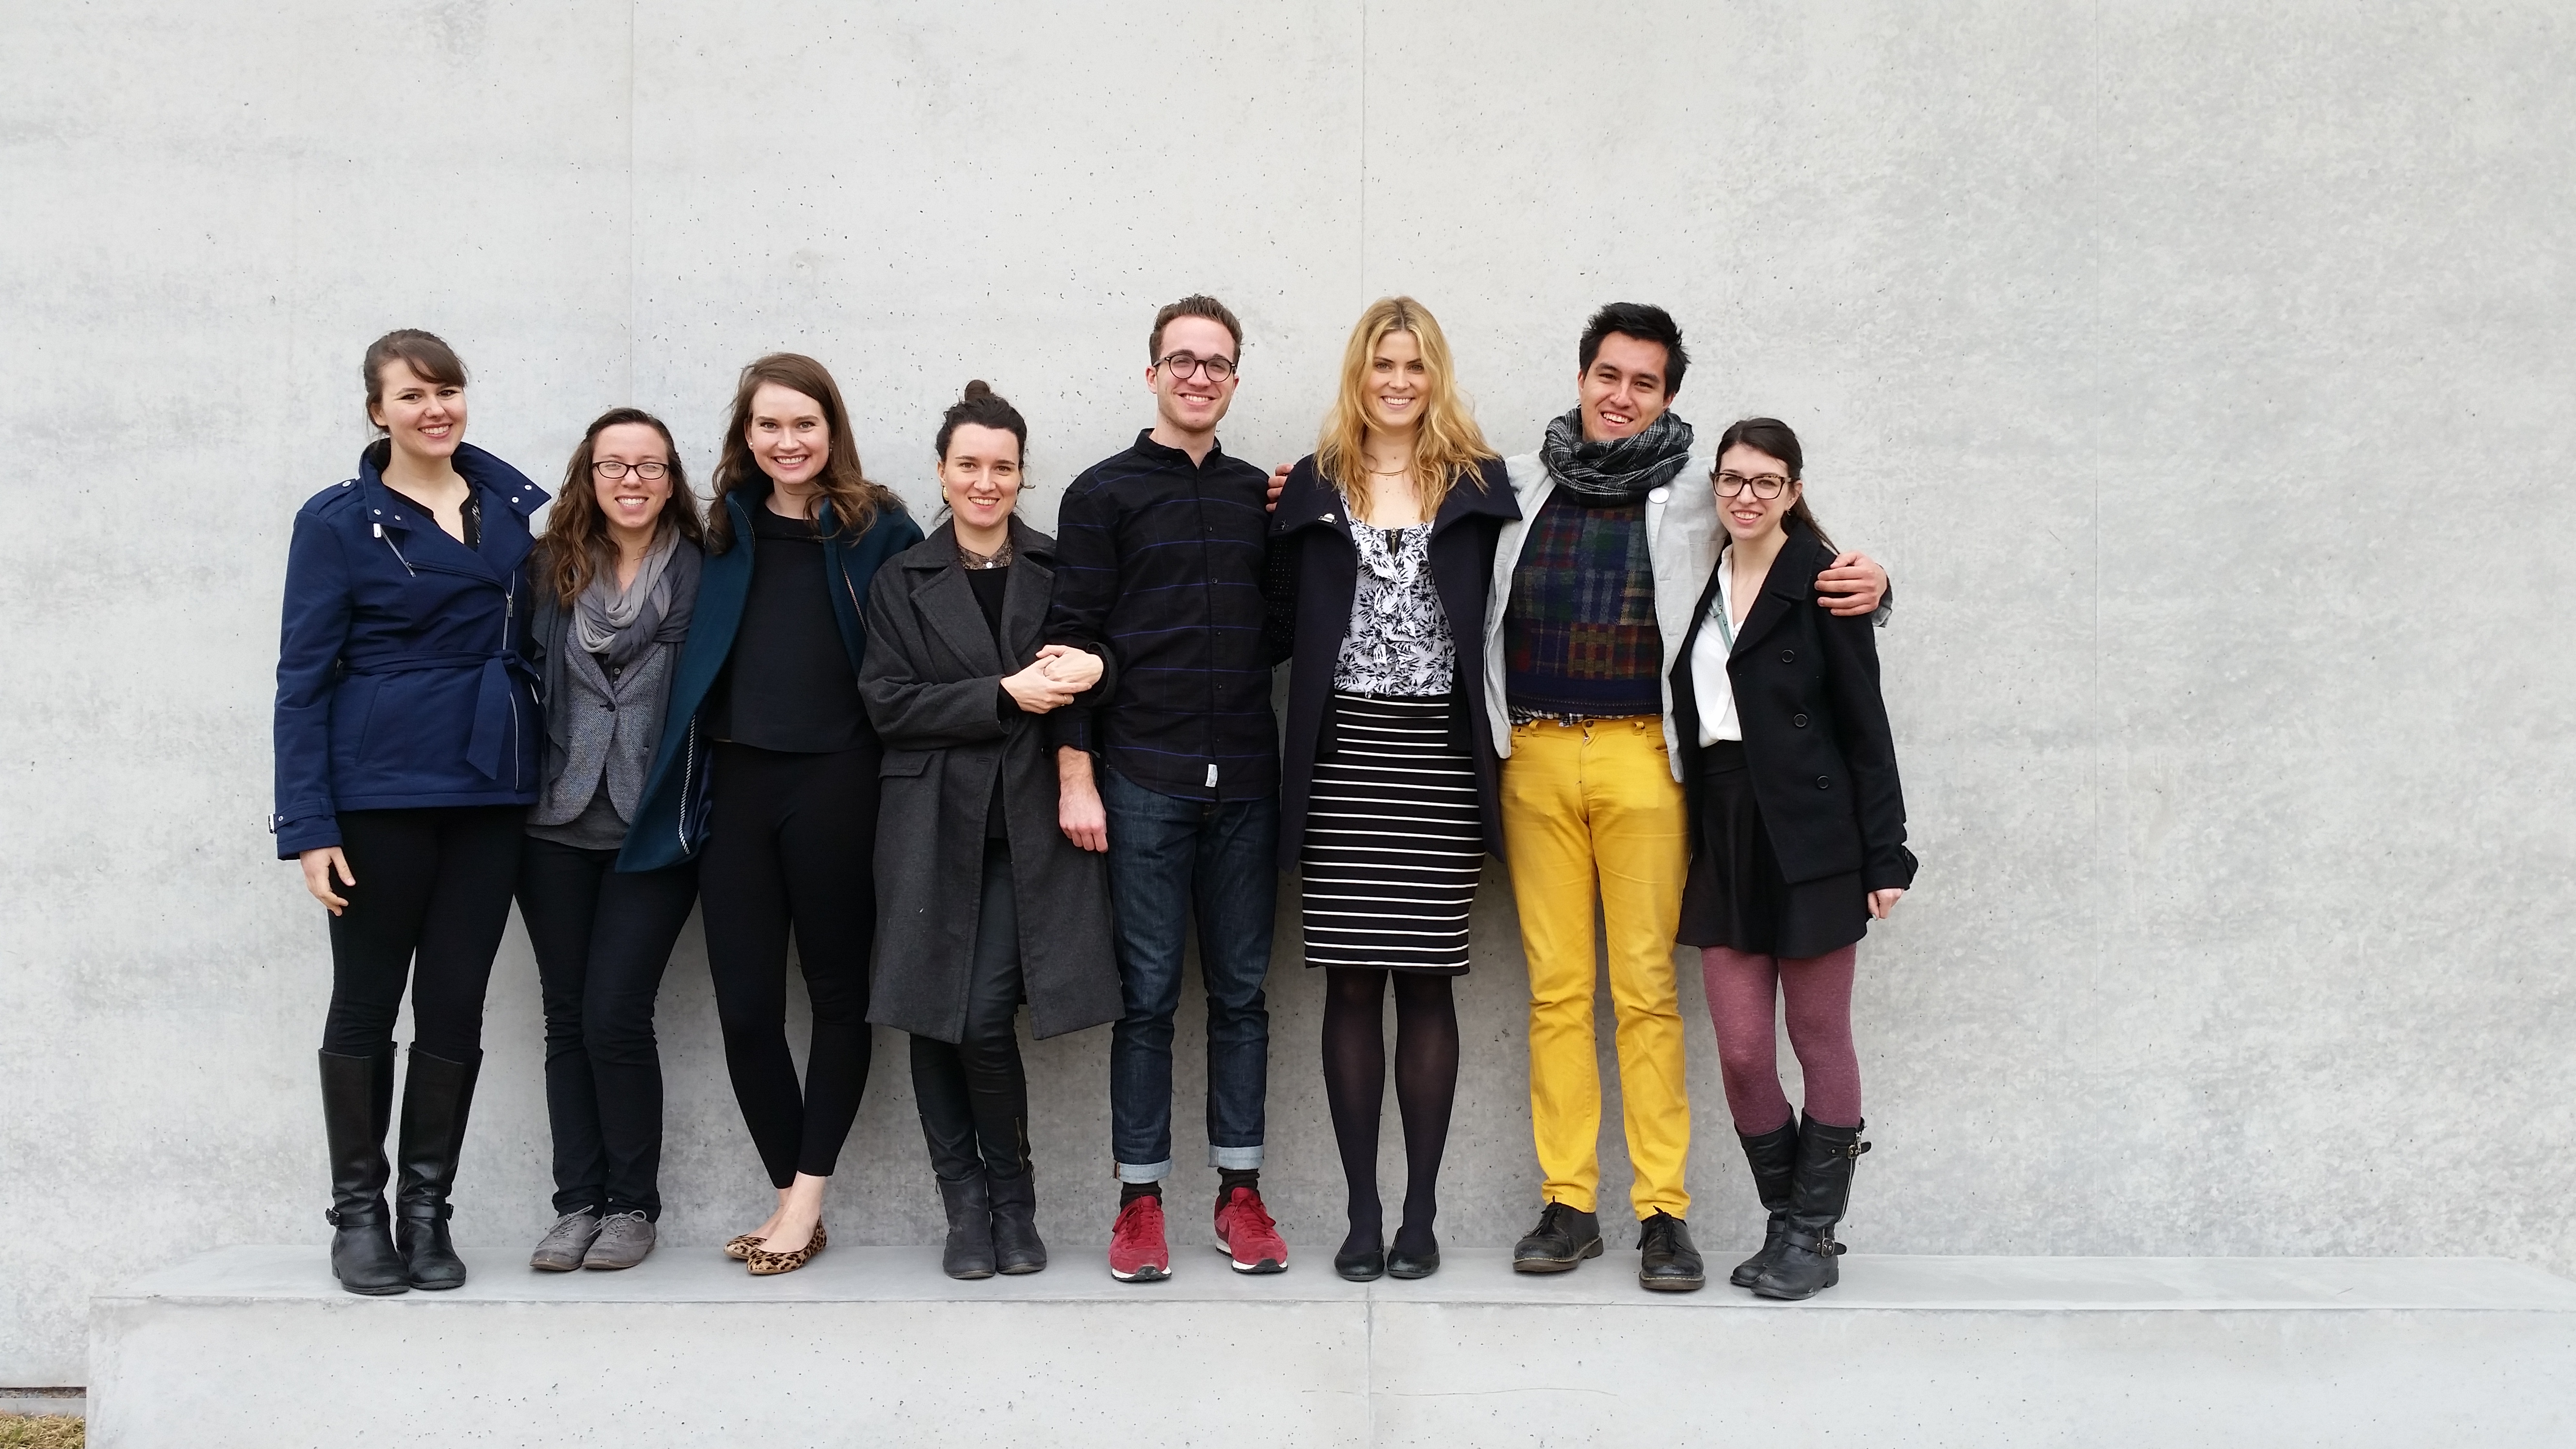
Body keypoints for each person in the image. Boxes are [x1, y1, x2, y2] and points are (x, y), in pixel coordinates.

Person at [1477, 304, 1889, 1291]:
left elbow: (1801, 555)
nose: (1621, 397)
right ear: (1581, 378)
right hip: (1532, 754)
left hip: (1640, 760)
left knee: (1645, 992)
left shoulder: (1705, 492)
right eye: (1608, 376)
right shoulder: (1510, 484)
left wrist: (1875, 580)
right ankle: (1568, 1204)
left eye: (1644, 383)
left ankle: (1663, 1214)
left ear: (1668, 397)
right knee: (1556, 993)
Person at [619, 354, 922, 1276]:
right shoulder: (721, 532)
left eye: (803, 423)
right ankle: (794, 1195)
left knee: (838, 999)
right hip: (737, 791)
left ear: (832, 428)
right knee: (747, 1011)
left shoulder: (879, 531)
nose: (786, 442)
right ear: (744, 437)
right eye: (767, 426)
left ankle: (804, 1203)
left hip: (840, 785)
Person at [274, 329, 548, 1295]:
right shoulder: (340, 522)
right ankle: (359, 1216)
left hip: (492, 791)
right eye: (414, 396)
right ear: (377, 411)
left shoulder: (516, 511)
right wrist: (307, 825)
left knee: (454, 1005)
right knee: (364, 1001)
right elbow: (300, 682)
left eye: (450, 390)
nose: (437, 409)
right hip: (381, 791)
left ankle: (427, 1213)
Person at [1266, 299, 1516, 1281]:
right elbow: (1272, 620)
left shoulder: (1481, 486)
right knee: (1349, 981)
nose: (1398, 382)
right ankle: (1361, 1215)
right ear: (1358, 376)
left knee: (1425, 983)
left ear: (1434, 373)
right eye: (1381, 365)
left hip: (1438, 761)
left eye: (1413, 365)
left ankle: (1420, 1216)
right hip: (1342, 760)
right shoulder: (1311, 488)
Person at [1045, 295, 1294, 1282]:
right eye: (1181, 360)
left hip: (1244, 783)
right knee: (1146, 1000)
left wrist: (1300, 520)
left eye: (1217, 362)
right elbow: (1066, 638)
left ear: (1234, 379)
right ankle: (1138, 1204)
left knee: (1241, 997)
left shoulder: (1252, 499)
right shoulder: (1101, 493)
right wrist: (1077, 775)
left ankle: (1240, 1197)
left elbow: (1279, 629)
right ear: (1151, 373)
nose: (1198, 375)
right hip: (1139, 781)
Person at [860, 381, 1121, 1280]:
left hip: (1027, 836)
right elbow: (886, 705)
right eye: (968, 465)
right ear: (941, 472)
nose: (985, 481)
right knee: (932, 1021)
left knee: (975, 1018)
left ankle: (1013, 1200)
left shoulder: (1059, 568)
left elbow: (1106, 670)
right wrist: (1001, 696)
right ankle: (967, 1214)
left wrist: (1097, 667)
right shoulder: (901, 578)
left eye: (1002, 467)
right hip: (930, 826)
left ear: (1021, 475)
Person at [1672, 417, 1914, 1301]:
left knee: (1819, 1038)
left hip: (1814, 836)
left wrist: (1886, 855)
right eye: (1732, 480)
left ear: (1794, 491)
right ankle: (1788, 1221)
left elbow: (1866, 726)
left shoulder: (1824, 580)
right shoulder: (1694, 578)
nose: (1745, 496)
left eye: (1765, 482)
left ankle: (1813, 1234)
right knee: (1741, 1051)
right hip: (1725, 830)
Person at [515, 408, 705, 1273]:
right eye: (613, 466)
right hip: (552, 824)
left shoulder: (705, 575)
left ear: (672, 479)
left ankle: (633, 1205)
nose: (632, 481)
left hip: (653, 829)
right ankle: (576, 1204)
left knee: (615, 1013)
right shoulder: (547, 568)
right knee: (566, 1017)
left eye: (649, 467)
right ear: (588, 477)